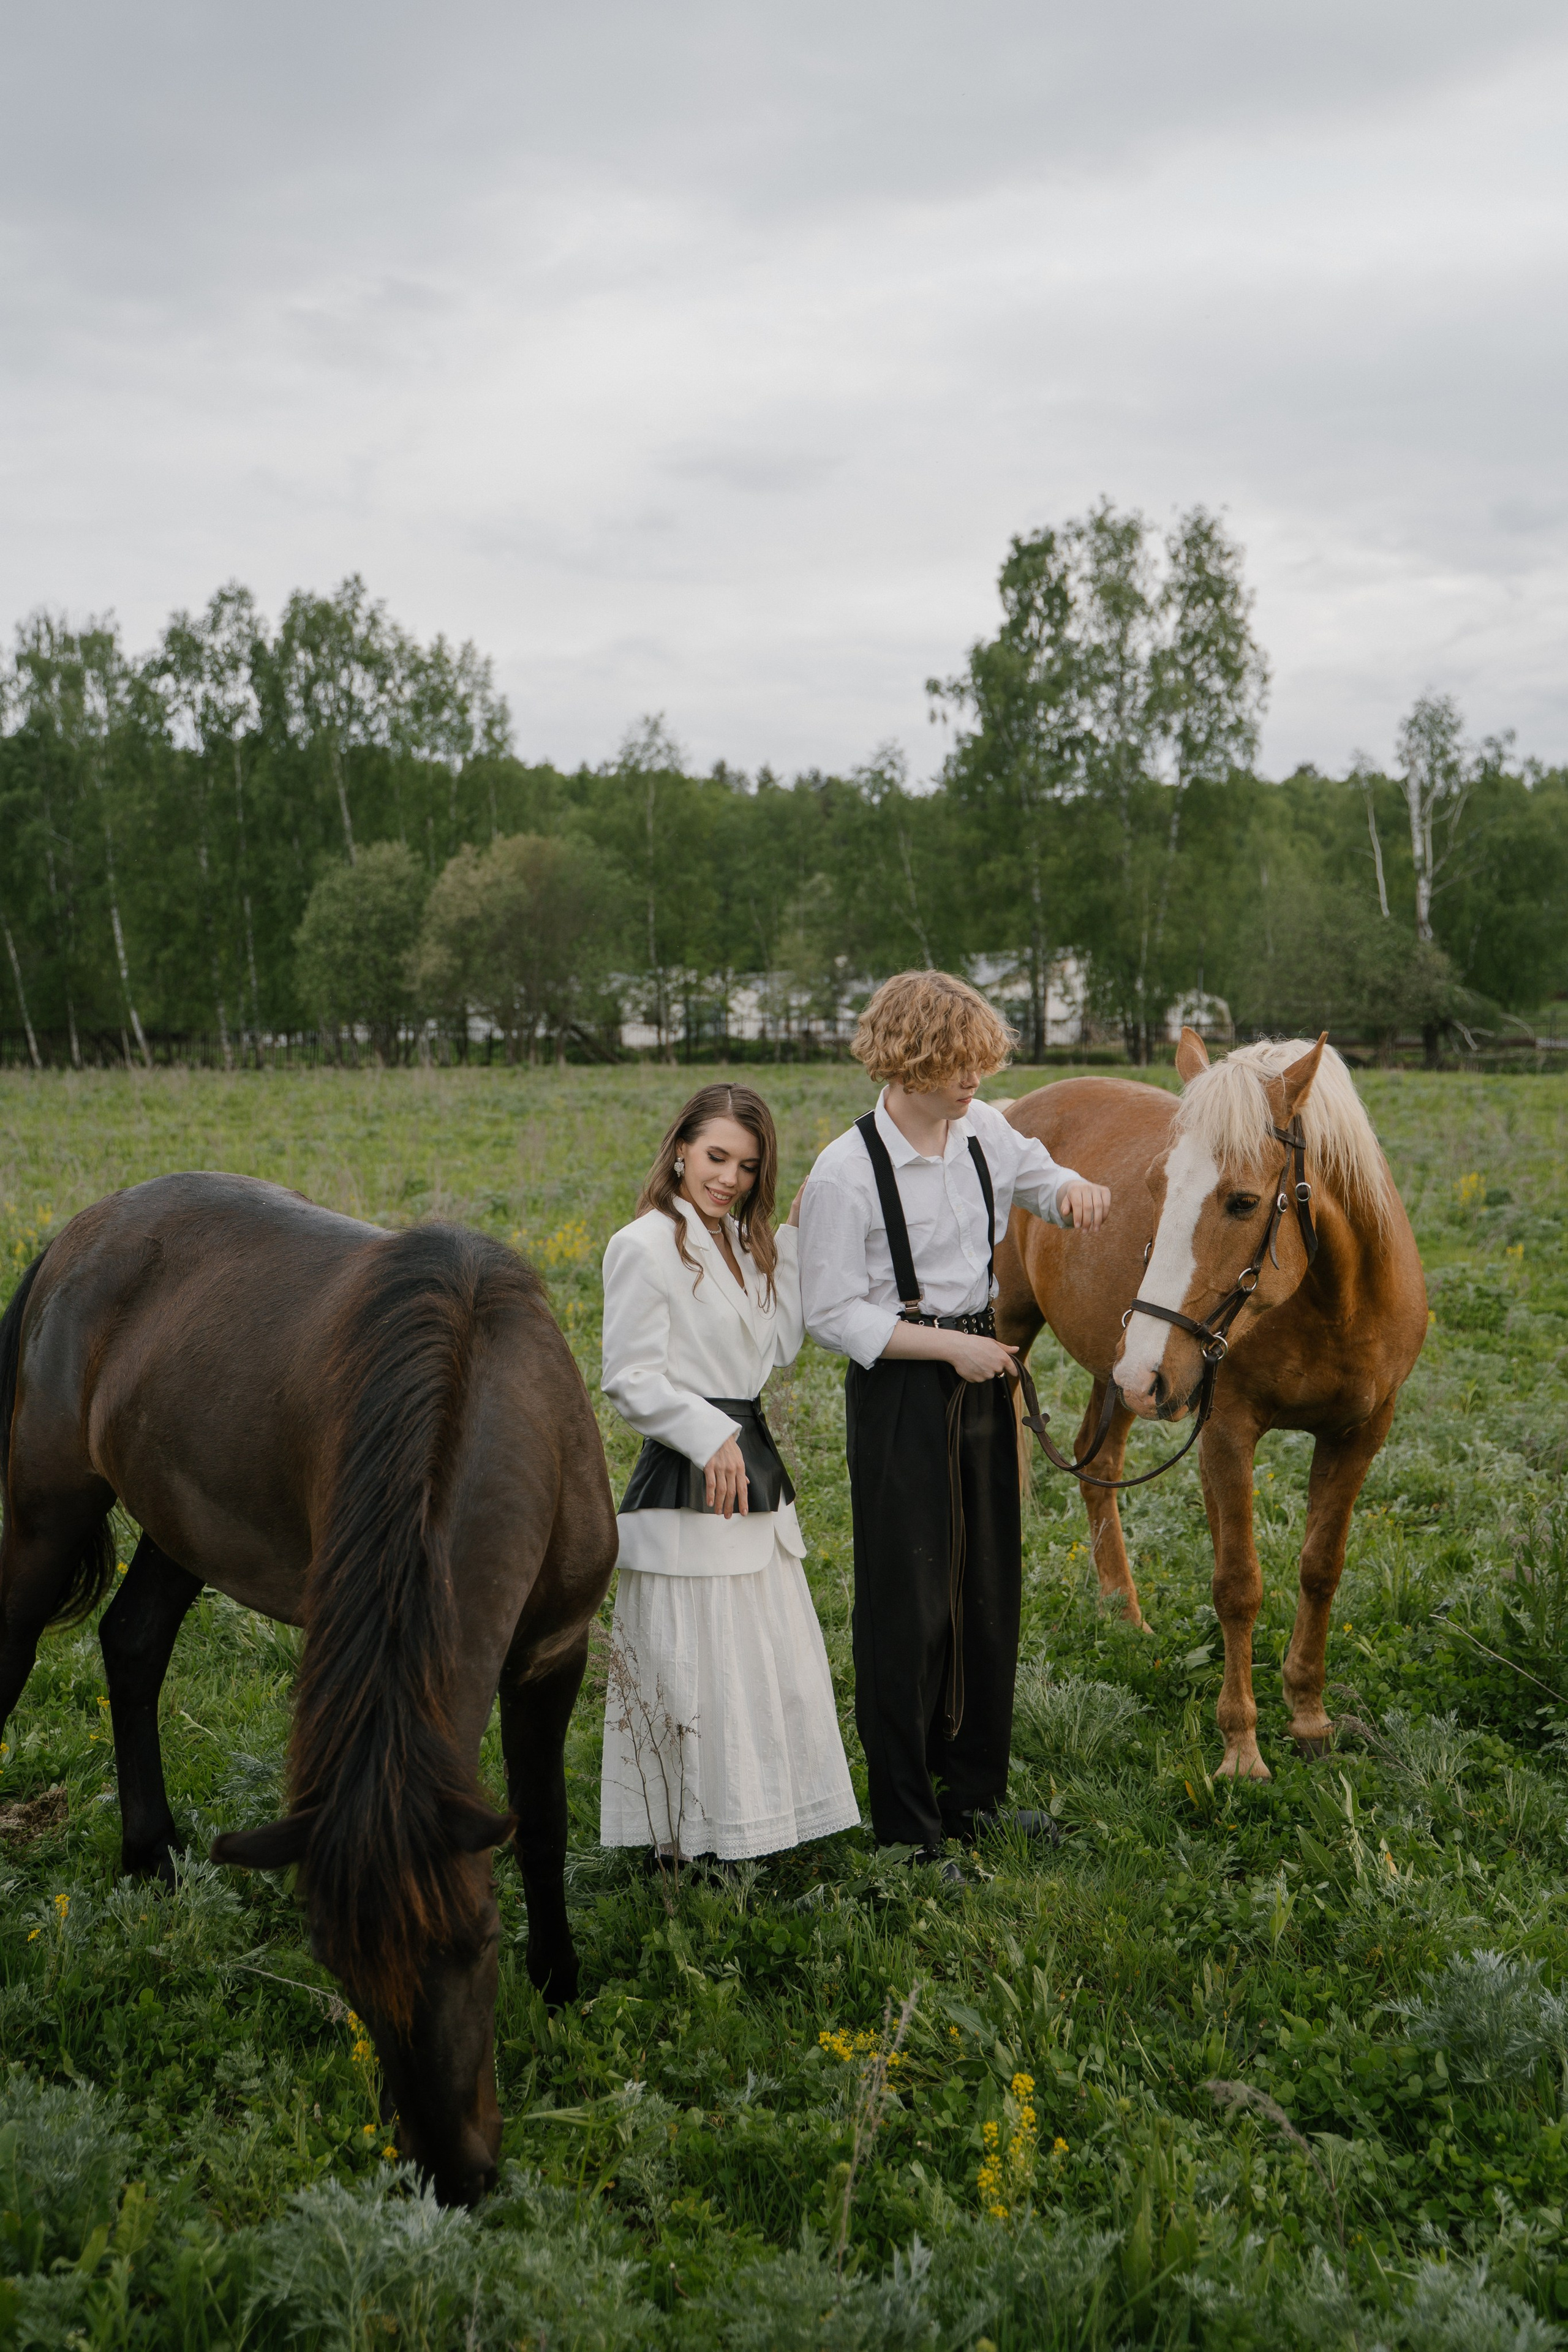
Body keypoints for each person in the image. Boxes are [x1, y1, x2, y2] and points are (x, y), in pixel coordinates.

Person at [798, 971, 1110, 1874]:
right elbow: (831, 1313)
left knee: (985, 1592)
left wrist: (1074, 1192)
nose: (975, 1082)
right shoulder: (846, 1171)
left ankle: (976, 1800)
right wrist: (946, 1353)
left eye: (982, 1065)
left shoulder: (983, 1129)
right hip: (901, 1386)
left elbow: (1039, 1178)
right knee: (909, 1608)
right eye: (958, 1067)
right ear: (906, 1062)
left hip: (982, 1371)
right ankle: (907, 1827)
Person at [598, 1082, 859, 1864]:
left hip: (752, 1466)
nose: (728, 1179)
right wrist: (709, 1436)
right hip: (690, 1472)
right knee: (693, 1661)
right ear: (680, 1148)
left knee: (757, 1651)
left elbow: (779, 1347)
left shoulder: (748, 1244)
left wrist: (794, 1236)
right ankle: (680, 1840)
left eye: (747, 1166)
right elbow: (630, 1377)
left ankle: (756, 1822)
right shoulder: (642, 1244)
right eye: (716, 1157)